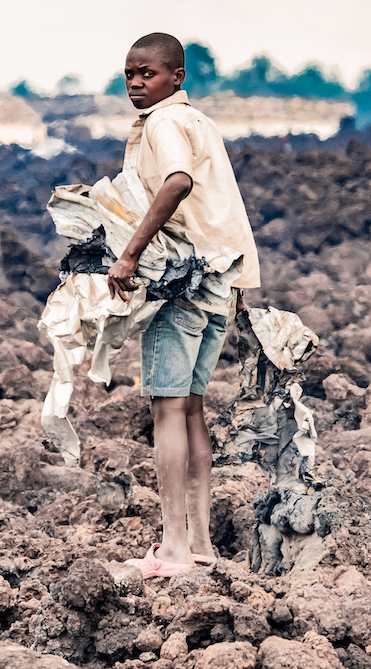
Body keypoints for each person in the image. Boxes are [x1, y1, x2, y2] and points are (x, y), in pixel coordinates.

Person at [108, 33, 260, 577]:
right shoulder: (201, 123)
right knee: (191, 406)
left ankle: (172, 547)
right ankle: (200, 544)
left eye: (146, 74)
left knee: (167, 408)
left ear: (177, 77)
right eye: (129, 74)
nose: (134, 83)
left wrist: (128, 255)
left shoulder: (165, 124)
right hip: (220, 281)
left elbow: (176, 182)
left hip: (185, 283)